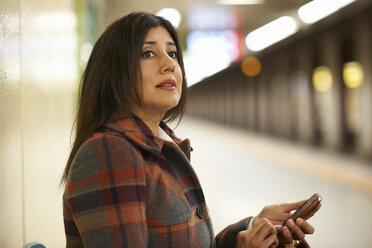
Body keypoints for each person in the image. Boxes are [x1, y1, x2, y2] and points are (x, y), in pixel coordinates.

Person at [61, 11, 321, 248]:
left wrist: (250, 232)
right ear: (114, 71)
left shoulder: (163, 146)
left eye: (173, 53)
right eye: (148, 53)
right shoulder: (109, 151)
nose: (169, 64)